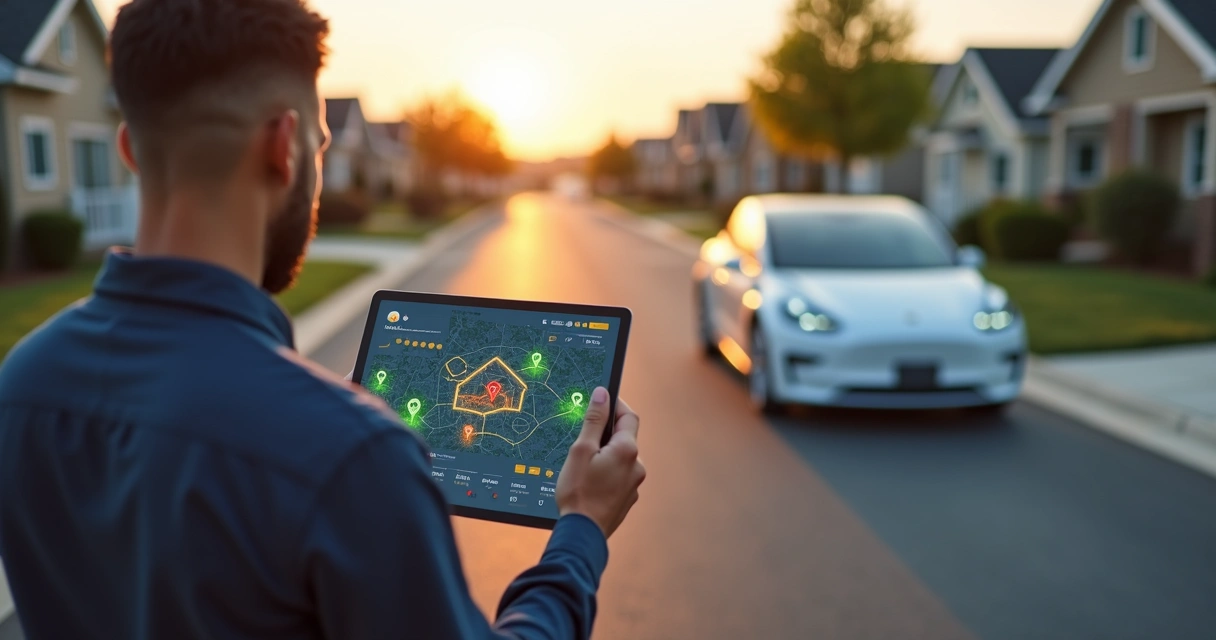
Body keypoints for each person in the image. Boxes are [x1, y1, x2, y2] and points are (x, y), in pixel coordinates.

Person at [0, 0, 646, 638]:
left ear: (129, 150)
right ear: (285, 147)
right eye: (319, 142)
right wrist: (581, 530)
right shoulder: (352, 458)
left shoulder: (22, 384)